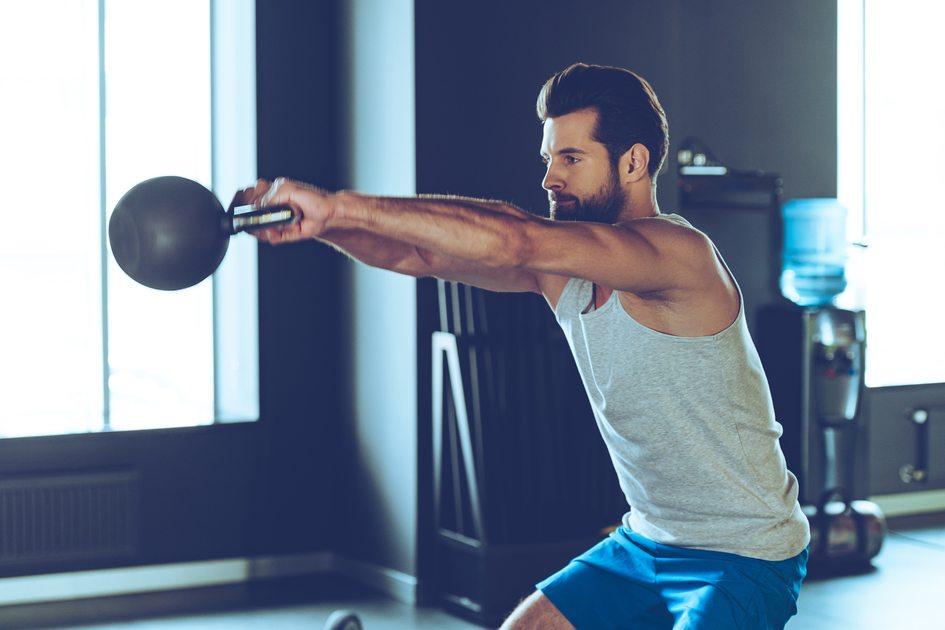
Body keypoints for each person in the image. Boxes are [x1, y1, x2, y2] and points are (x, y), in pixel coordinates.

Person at [238, 62, 810, 629]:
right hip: (646, 541)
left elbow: (516, 238)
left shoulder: (678, 254)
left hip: (743, 554)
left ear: (633, 162)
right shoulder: (565, 273)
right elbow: (415, 255)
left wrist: (338, 204)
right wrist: (318, 226)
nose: (549, 179)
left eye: (571, 158)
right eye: (548, 159)